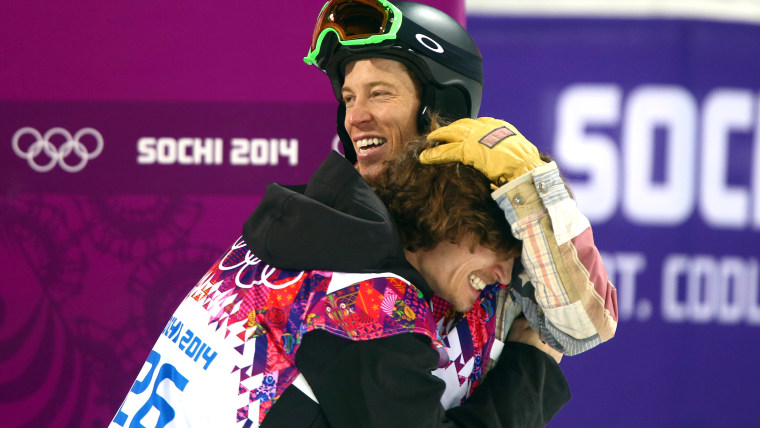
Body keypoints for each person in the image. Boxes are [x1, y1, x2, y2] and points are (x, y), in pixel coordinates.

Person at [109, 136, 570, 427]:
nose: (504, 278)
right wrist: (535, 362)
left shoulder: (307, 239)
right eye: (499, 249)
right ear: (455, 219)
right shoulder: (369, 300)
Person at [304, 0, 618, 407]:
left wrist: (529, 184)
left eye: (379, 94)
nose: (355, 117)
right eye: (349, 98)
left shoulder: (488, 221)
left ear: (442, 106)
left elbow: (584, 327)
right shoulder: (326, 226)